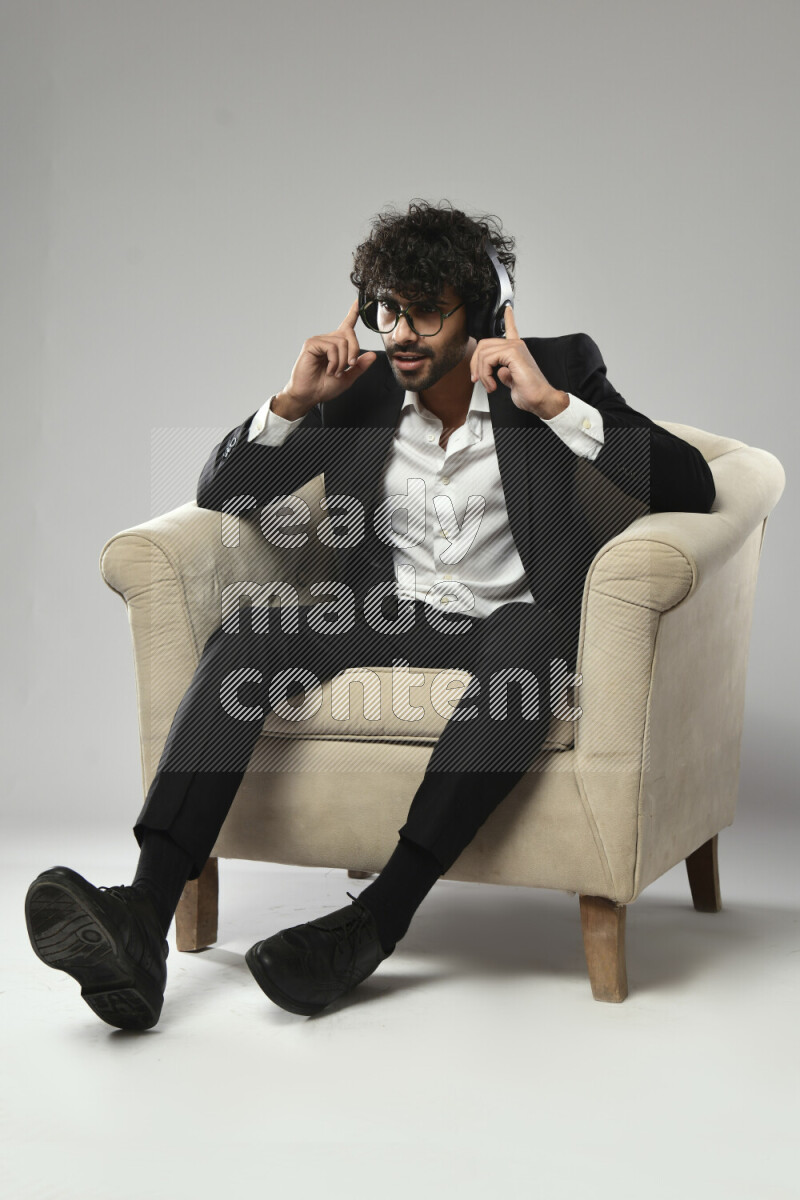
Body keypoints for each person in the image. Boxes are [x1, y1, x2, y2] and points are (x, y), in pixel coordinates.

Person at [24, 200, 716, 1029]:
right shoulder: (360, 395)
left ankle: (375, 920)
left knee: (534, 639)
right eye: (388, 310)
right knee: (248, 633)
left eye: (426, 311)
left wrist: (555, 406)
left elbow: (692, 486)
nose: (403, 334)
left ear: (484, 315)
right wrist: (290, 402)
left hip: (510, 626)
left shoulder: (556, 367)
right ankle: (142, 918)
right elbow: (225, 494)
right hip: (386, 617)